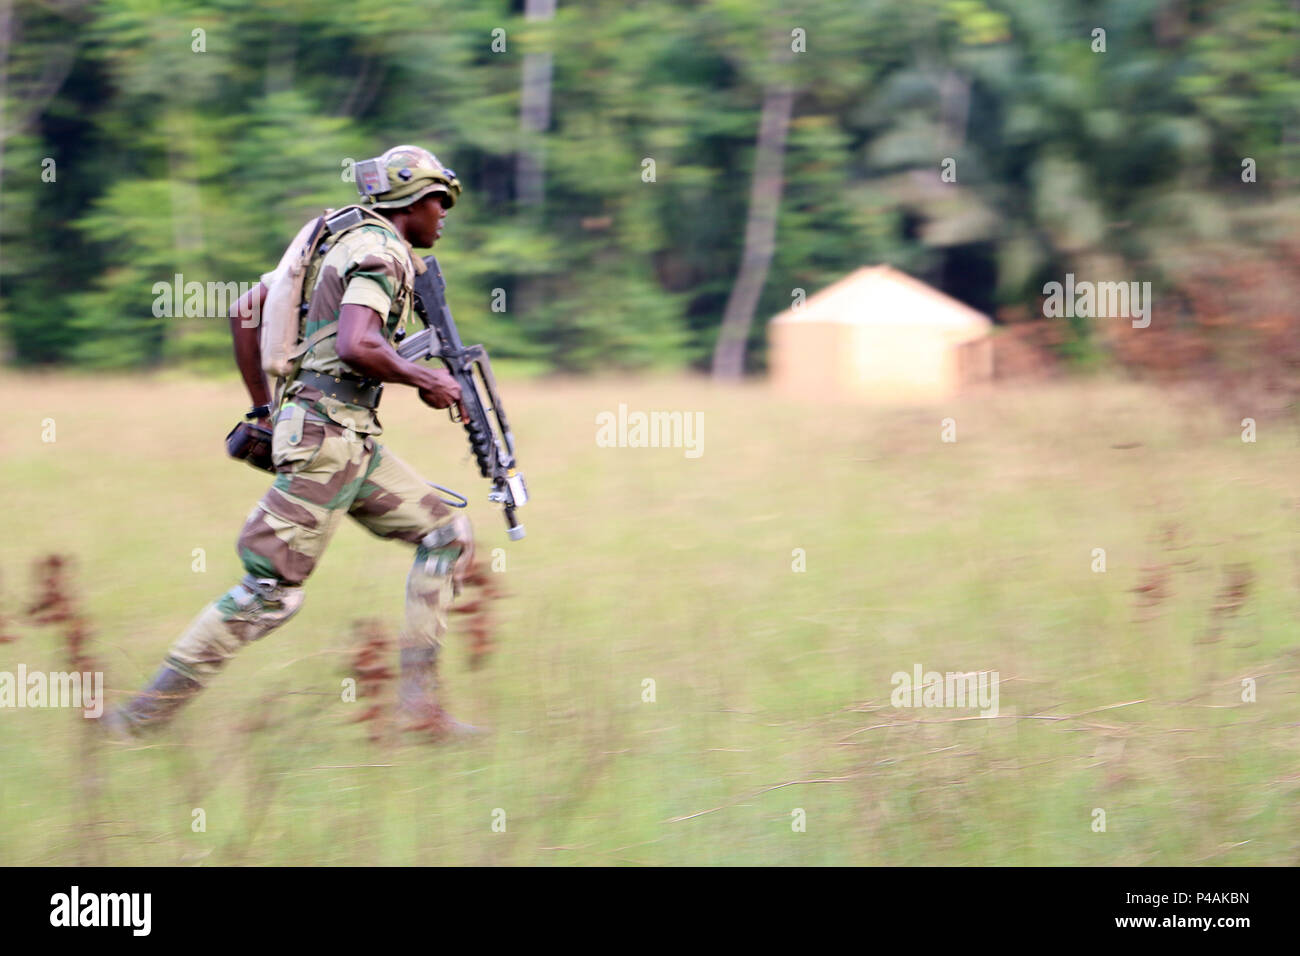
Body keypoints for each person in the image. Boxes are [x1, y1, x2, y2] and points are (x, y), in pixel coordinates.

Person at [104, 145, 480, 740]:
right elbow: (358, 344)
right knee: (270, 593)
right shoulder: (382, 252)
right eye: (441, 202)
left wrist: (264, 409)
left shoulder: (330, 238)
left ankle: (420, 711)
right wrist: (426, 379)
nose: (445, 214)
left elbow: (245, 310)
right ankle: (135, 722)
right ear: (413, 201)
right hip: (328, 441)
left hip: (348, 440)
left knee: (447, 536)